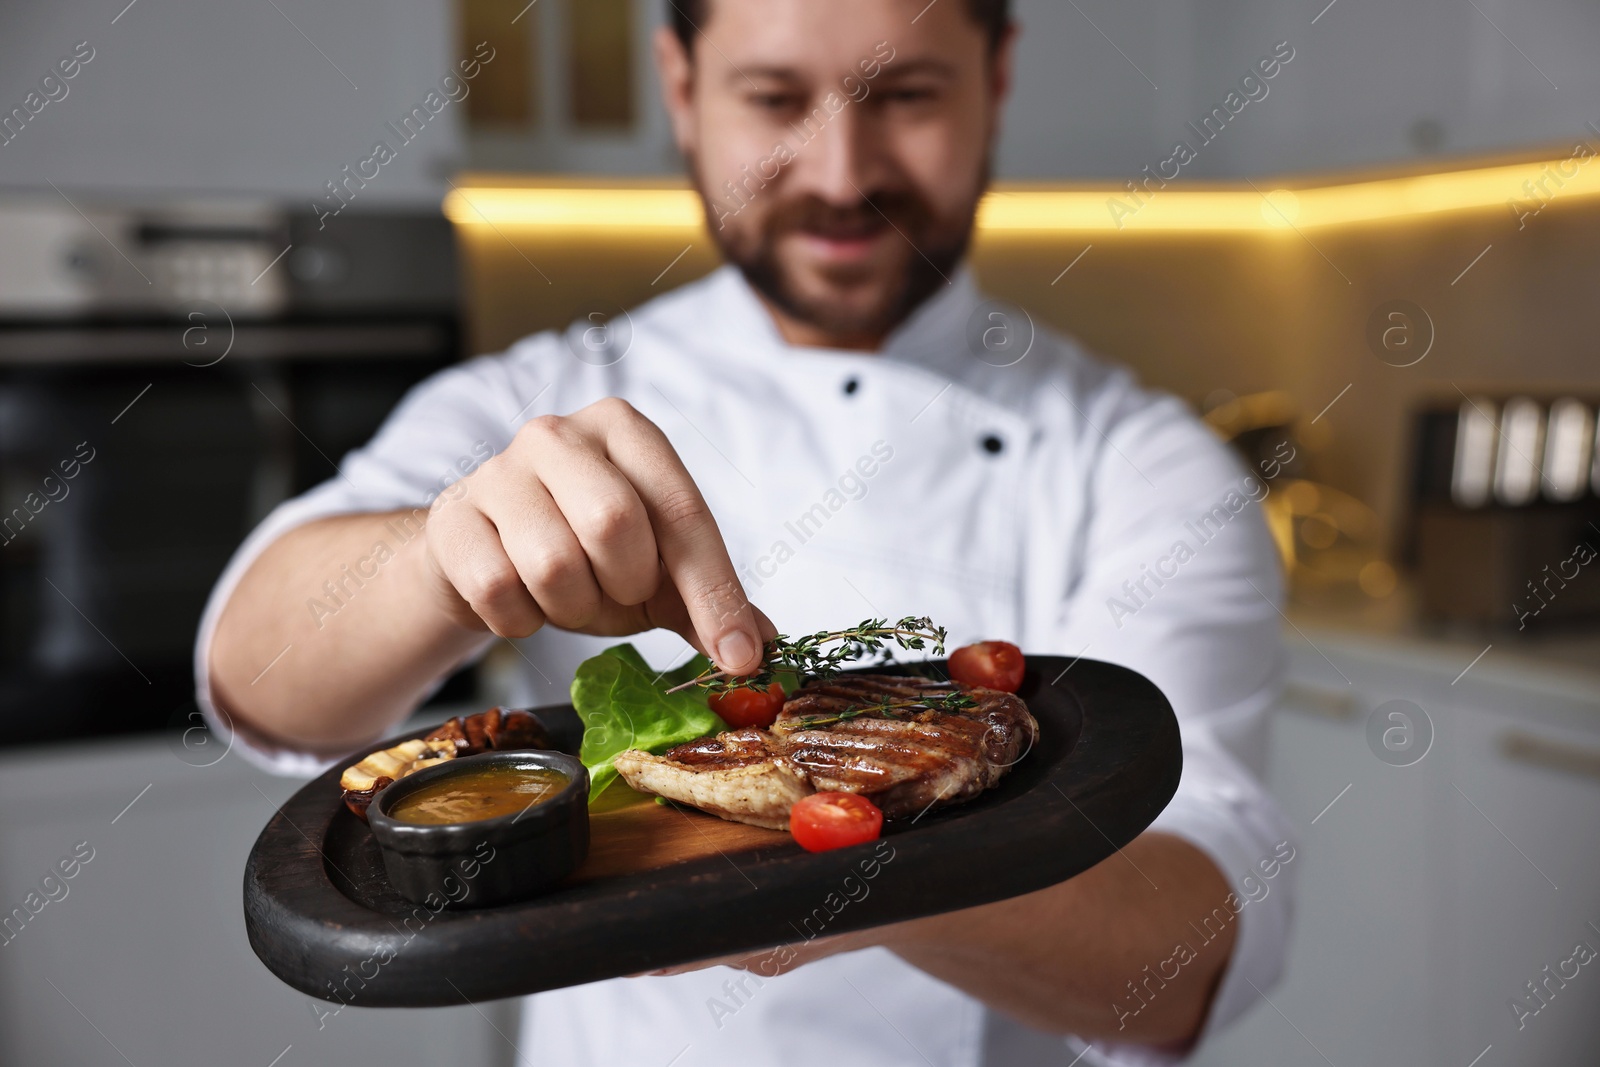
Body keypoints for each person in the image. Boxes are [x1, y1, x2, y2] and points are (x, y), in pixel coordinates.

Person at [198, 1, 1296, 1063]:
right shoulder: (546, 395)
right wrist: (442, 562)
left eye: (906, 93)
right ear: (680, 89)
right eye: (774, 97)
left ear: (997, 79)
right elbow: (258, 681)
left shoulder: (1143, 462)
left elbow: (1191, 952)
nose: (839, 173)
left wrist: (864, 872)